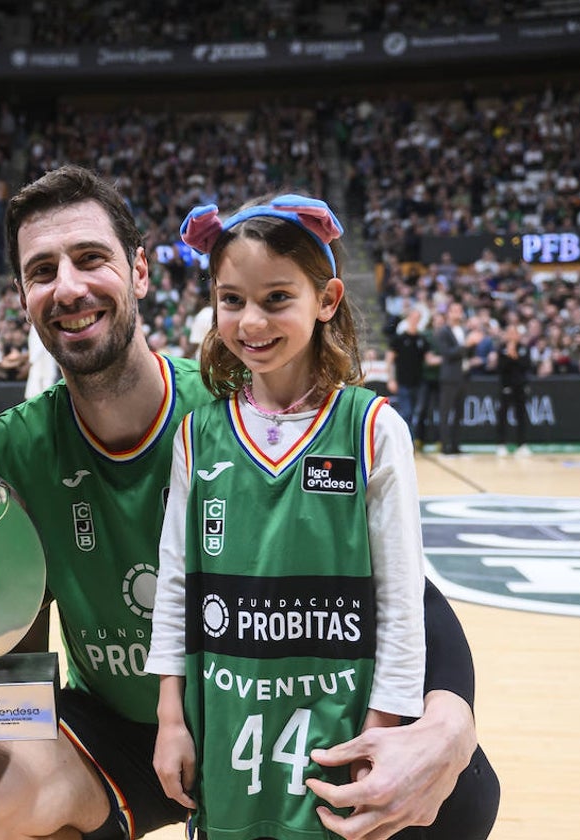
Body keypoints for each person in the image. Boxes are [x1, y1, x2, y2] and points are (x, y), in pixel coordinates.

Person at [0, 166, 499, 840]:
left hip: (274, 708)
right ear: (21, 294)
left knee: (458, 794)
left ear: (140, 271)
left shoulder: (235, 409)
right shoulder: (16, 451)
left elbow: (404, 592)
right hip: (122, 730)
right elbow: (11, 651)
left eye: (90, 259)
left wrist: (450, 721)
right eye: (42, 270)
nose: (70, 287)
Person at [147, 195, 425, 838]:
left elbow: (402, 602)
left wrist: (382, 733)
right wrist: (170, 719)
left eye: (276, 298)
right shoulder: (198, 435)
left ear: (326, 300)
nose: (251, 321)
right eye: (232, 299)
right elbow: (174, 590)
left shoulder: (374, 429)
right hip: (224, 719)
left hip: (340, 726)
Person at [432, 302, 482, 456]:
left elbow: (468, 353)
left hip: (464, 376)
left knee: (460, 413)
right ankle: (445, 446)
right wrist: (467, 344)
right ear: (448, 313)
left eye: (460, 310)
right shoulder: (443, 332)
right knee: (446, 413)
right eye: (454, 310)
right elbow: (447, 353)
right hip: (449, 377)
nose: (457, 313)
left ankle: (456, 445)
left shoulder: (465, 330)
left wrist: (474, 344)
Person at [385, 305, 429, 447]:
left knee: (417, 413)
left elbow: (429, 359)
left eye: (418, 318)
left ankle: (414, 441)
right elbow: (389, 360)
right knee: (406, 413)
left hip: (418, 382)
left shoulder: (422, 339)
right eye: (413, 317)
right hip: (403, 381)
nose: (415, 320)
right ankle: (405, 443)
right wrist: (391, 379)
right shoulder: (399, 339)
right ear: (409, 318)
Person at [495, 324, 532, 457]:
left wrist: (514, 356)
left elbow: (526, 365)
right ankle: (501, 445)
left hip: (520, 387)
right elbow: (500, 368)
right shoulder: (501, 349)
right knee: (502, 416)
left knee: (521, 416)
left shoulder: (524, 349)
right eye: (509, 332)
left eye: (514, 332)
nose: (512, 335)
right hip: (506, 387)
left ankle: (522, 445)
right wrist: (509, 356)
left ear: (518, 335)